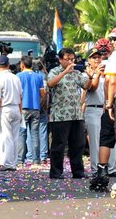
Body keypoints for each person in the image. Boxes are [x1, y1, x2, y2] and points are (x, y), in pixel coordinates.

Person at [47, 47, 92, 179]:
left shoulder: (76, 73)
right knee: (59, 145)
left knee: (78, 144)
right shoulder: (54, 71)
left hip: (76, 114)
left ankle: (78, 172)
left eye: (72, 59)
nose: (70, 62)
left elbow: (86, 86)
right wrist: (65, 72)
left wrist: (90, 76)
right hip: (60, 115)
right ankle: (56, 172)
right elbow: (50, 83)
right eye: (67, 59)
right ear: (60, 60)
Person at [82, 47, 114, 179]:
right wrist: (95, 73)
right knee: (95, 141)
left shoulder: (107, 73)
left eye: (99, 57)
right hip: (93, 109)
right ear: (89, 60)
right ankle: (96, 169)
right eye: (94, 57)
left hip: (106, 108)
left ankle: (111, 168)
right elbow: (92, 88)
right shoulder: (87, 75)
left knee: (109, 139)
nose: (97, 59)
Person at [90, 30, 116, 191]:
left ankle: (101, 172)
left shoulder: (114, 57)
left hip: (113, 103)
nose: (112, 42)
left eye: (114, 39)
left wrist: (109, 104)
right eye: (111, 39)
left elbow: (111, 81)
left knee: (106, 135)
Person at [0, 55, 22, 171]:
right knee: (15, 137)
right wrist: (20, 113)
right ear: (8, 65)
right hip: (16, 108)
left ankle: (6, 163)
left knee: (5, 137)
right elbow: (21, 97)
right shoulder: (15, 77)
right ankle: (13, 162)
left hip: (4, 109)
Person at [17, 55, 45, 166]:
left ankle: (20, 160)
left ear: (22, 65)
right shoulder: (38, 77)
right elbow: (43, 93)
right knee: (35, 134)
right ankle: (36, 160)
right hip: (35, 108)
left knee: (22, 135)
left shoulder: (18, 76)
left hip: (23, 108)